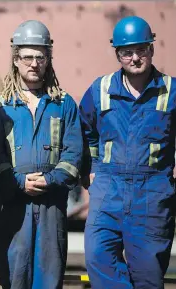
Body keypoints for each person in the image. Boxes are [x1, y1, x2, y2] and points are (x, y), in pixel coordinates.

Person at [0, 20, 83, 289]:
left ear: (49, 58)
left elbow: (74, 155)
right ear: (15, 59)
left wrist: (50, 181)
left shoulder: (63, 104)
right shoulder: (1, 107)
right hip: (11, 207)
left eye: (41, 56)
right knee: (15, 278)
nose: (34, 63)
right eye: (27, 56)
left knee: (48, 280)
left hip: (52, 206)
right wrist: (19, 183)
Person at [79, 16, 176, 289]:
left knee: (148, 276)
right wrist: (93, 168)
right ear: (117, 54)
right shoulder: (101, 89)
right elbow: (85, 131)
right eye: (126, 52)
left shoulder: (171, 91)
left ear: (152, 49)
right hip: (108, 188)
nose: (135, 58)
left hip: (152, 192)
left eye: (141, 49)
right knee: (98, 257)